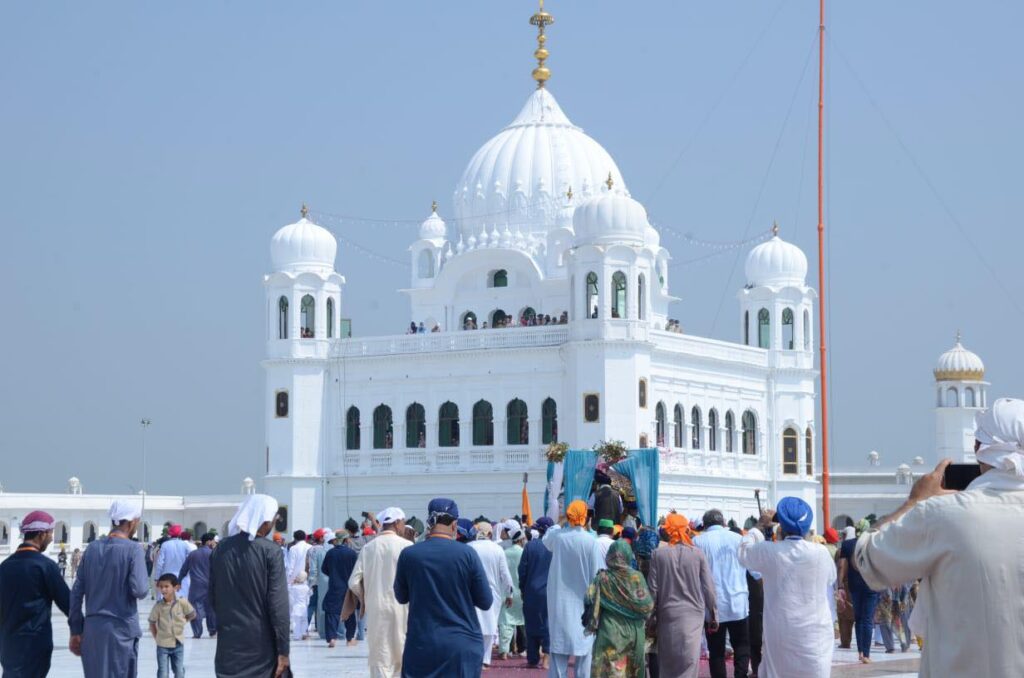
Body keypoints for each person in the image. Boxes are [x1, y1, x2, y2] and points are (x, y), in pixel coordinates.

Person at [853, 398, 1024, 677]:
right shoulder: (944, 514)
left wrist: (913, 502)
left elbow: (868, 560)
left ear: (978, 448)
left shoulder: (943, 515)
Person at [394, 497, 493, 677]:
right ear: (454, 525)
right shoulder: (467, 554)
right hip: (462, 644)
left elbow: (401, 597)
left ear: (430, 523)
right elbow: (485, 601)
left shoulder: (409, 554)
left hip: (422, 644)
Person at [737, 498, 836, 678]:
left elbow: (743, 552)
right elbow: (831, 579)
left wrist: (759, 526)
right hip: (816, 637)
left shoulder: (770, 552)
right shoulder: (821, 553)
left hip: (781, 635)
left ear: (780, 526)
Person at [210, 494, 290, 678]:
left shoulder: (220, 549)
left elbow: (213, 598)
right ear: (265, 520)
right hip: (262, 648)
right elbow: (278, 605)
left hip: (228, 646)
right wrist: (283, 650)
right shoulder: (271, 551)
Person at [69, 500, 150, 677]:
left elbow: (76, 592)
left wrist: (76, 629)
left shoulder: (92, 548)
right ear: (131, 522)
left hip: (92, 629)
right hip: (121, 629)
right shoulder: (133, 549)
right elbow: (140, 590)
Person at [0, 510, 71, 676]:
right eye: (50, 533)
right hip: (35, 643)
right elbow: (68, 603)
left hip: (8, 643)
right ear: (41, 534)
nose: (52, 538)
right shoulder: (45, 566)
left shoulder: (4, 567)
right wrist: (80, 630)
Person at [648, 513, 717, 678]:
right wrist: (714, 615)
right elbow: (709, 588)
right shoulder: (697, 554)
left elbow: (652, 591)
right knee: (688, 667)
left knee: (667, 667)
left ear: (668, 531)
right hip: (693, 618)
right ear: (686, 529)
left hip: (667, 616)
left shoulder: (658, 554)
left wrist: (649, 619)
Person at [543, 499, 604, 678]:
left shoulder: (559, 538)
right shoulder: (591, 541)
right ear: (585, 517)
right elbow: (597, 575)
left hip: (560, 604)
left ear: (568, 516)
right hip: (584, 605)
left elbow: (547, 536)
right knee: (584, 655)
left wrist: (562, 521)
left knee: (558, 655)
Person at [348, 506, 411, 677]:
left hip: (377, 609)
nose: (404, 526)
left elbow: (353, 582)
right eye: (404, 522)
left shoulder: (368, 548)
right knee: (402, 653)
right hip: (402, 608)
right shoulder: (407, 546)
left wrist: (366, 597)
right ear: (397, 523)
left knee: (380, 657)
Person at [583, 539, 653, 678]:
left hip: (609, 632)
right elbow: (647, 606)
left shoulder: (602, 578)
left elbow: (588, 598)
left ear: (610, 556)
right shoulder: (637, 577)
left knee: (608, 672)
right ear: (628, 556)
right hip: (634, 634)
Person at [693, 509, 750, 678]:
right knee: (741, 646)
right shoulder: (739, 539)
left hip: (712, 607)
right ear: (724, 522)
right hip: (738, 602)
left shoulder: (697, 541)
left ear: (705, 524)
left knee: (716, 651)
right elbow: (753, 570)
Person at [468, 521, 514, 668]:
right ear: (489, 533)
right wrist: (509, 593)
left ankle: (473, 657)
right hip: (493, 593)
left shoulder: (469, 548)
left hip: (471, 592)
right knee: (489, 625)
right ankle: (485, 660)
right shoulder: (497, 549)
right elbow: (505, 574)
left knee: (473, 625)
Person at [837, 519, 879, 663]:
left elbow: (842, 566)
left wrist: (840, 585)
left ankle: (860, 652)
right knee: (867, 619)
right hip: (871, 585)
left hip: (854, 586)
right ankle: (866, 655)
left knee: (859, 618)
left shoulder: (847, 544)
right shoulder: (873, 543)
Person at [519, 517, 554, 669]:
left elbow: (522, 571)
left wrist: (522, 588)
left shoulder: (530, 546)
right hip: (550, 590)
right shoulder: (555, 547)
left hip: (531, 590)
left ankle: (532, 658)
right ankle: (547, 656)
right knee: (548, 623)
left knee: (531, 623)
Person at [148, 573, 195, 678]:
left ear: (175, 587)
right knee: (163, 673)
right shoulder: (159, 606)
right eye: (161, 587)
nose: (163, 589)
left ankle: (181, 671)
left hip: (178, 644)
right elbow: (152, 622)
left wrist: (183, 620)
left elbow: (192, 614)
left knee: (178, 672)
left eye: (166, 586)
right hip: (162, 646)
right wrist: (157, 637)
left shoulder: (182, 602)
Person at [321, 530, 359, 647]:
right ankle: (349, 639)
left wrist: (334, 574)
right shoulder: (352, 553)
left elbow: (324, 569)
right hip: (348, 587)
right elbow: (356, 570)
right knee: (350, 611)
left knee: (332, 612)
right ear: (347, 540)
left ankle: (332, 638)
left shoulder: (330, 553)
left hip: (335, 586)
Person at [178, 531, 216, 638]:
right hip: (210, 586)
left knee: (195, 608)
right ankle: (212, 631)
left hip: (196, 586)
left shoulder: (193, 554)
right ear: (208, 542)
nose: (214, 543)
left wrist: (179, 581)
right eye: (213, 541)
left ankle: (197, 632)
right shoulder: (214, 554)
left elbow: (184, 569)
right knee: (211, 609)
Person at [498, 527, 526, 660]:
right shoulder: (524, 552)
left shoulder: (505, 552)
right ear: (521, 540)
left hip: (508, 591)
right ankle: (523, 649)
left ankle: (504, 650)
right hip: (521, 592)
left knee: (506, 621)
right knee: (522, 621)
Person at [307, 527, 334, 639]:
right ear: (322, 538)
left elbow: (312, 569)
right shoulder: (328, 549)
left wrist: (311, 583)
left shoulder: (313, 550)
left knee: (318, 607)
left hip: (318, 582)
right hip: (328, 581)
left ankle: (322, 631)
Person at [153, 525, 190, 589]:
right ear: (179, 533)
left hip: (167, 577)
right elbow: (189, 561)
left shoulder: (165, 545)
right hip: (181, 578)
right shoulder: (185, 545)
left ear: (170, 533)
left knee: (167, 598)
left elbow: (160, 563)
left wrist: (157, 578)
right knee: (180, 598)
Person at [288, 571, 312, 640]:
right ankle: (303, 633)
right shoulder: (306, 588)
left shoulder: (294, 588)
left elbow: (289, 590)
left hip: (296, 607)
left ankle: (297, 636)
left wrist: (293, 582)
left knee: (296, 622)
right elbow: (309, 596)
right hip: (304, 608)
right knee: (304, 621)